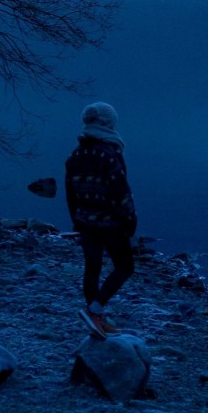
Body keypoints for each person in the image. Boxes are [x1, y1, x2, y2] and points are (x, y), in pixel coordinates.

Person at [65, 102, 137, 339]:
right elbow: (120, 192)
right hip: (110, 223)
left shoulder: (76, 154)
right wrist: (130, 220)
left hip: (86, 222)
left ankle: (95, 317)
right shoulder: (110, 153)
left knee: (92, 268)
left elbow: (70, 192)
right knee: (125, 266)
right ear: (109, 124)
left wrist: (76, 218)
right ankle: (94, 309)